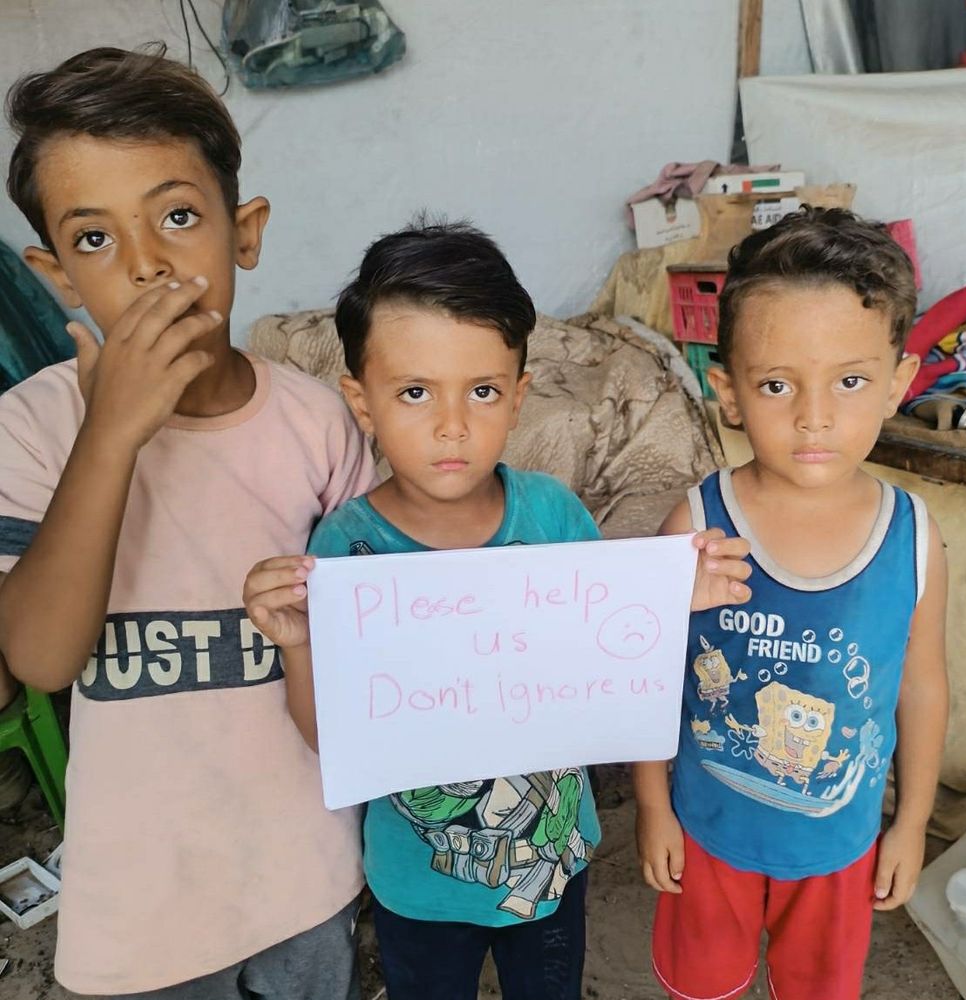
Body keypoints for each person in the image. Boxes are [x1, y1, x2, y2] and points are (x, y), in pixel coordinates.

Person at [244, 220, 752, 1000]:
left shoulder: (552, 515)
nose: (452, 425)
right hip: (419, 886)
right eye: (415, 392)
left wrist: (667, 600)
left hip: (552, 866)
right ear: (363, 401)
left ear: (518, 396)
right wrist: (298, 646)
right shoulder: (345, 551)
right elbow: (330, 738)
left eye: (481, 391)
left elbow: (609, 668)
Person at [0, 47, 376, 999]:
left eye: (177, 216)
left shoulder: (313, 420)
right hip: (142, 905)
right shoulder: (34, 427)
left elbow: (371, 635)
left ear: (242, 233)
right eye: (93, 240)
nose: (147, 266)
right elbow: (40, 659)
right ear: (55, 275)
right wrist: (113, 433)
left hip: (306, 875)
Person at [635, 206, 949, 1000]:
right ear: (729, 391)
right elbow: (641, 676)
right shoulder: (698, 525)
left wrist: (909, 820)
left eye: (849, 380)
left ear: (897, 384)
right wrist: (650, 805)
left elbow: (921, 686)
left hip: (839, 846)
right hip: (707, 836)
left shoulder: (912, 538)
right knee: (704, 985)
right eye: (777, 384)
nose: (814, 415)